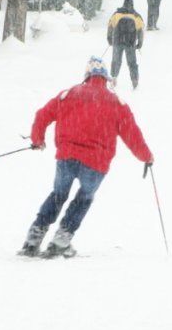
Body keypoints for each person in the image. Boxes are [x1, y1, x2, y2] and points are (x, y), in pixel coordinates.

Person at [19, 56, 154, 258]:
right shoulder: (116, 103)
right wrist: (147, 157)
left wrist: (38, 140)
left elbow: (42, 115)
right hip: (96, 163)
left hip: (67, 157)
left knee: (58, 195)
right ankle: (60, 241)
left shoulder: (69, 94)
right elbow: (132, 135)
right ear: (106, 77)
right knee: (83, 199)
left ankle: (33, 239)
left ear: (87, 76)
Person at [107, 0, 145, 90]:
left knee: (116, 61)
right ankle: (134, 80)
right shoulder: (136, 16)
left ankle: (113, 79)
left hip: (117, 41)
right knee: (132, 63)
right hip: (130, 42)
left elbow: (110, 27)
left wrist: (109, 39)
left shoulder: (116, 14)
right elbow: (140, 31)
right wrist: (140, 43)